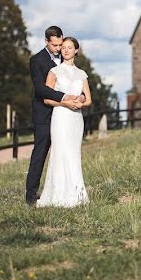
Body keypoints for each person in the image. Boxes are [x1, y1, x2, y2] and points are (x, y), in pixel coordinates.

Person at [25, 26, 84, 205]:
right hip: (44, 114)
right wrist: (64, 97)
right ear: (46, 42)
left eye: (60, 44)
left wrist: (78, 96)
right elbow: (41, 89)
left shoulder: (67, 58)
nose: (59, 49)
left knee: (65, 152)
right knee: (40, 152)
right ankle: (31, 194)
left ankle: (64, 191)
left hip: (65, 116)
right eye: (55, 45)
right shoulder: (36, 60)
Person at [37, 36, 92, 207]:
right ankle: (59, 195)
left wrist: (81, 101)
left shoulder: (82, 74)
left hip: (76, 119)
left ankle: (77, 194)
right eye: (64, 47)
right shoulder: (54, 72)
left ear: (76, 50)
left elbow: (89, 100)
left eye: (70, 47)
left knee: (74, 154)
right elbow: (47, 99)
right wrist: (65, 102)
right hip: (60, 117)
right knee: (60, 153)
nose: (66, 50)